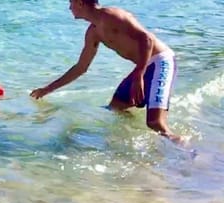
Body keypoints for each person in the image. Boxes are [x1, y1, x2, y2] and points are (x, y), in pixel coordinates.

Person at [30, 0, 184, 144]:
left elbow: (147, 39)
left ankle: (187, 149)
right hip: (143, 67)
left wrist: (139, 75)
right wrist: (47, 89)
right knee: (116, 107)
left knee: (155, 123)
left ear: (80, 3)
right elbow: (81, 67)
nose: (69, 7)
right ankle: (133, 140)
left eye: (70, 2)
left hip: (161, 61)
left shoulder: (112, 15)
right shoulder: (93, 33)